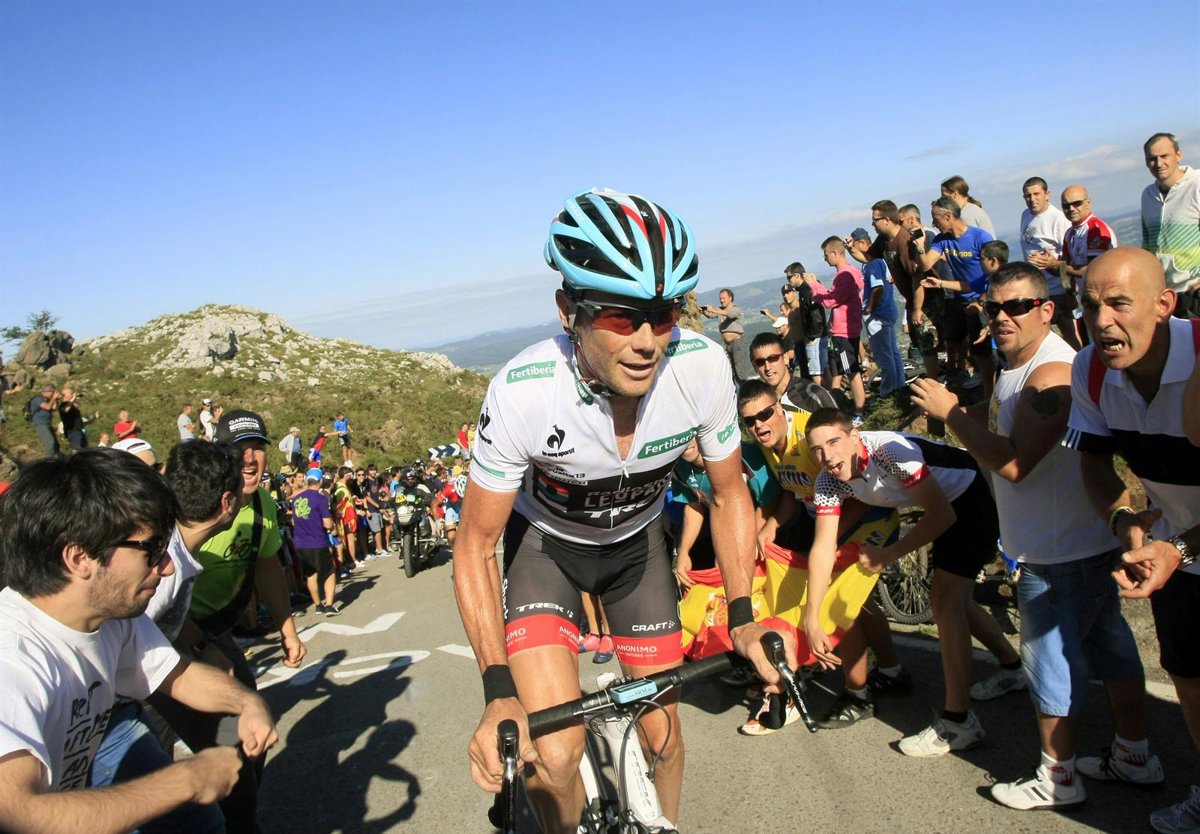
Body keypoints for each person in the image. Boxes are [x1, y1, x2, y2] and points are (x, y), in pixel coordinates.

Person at [453, 188, 784, 833]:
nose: (647, 342)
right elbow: (475, 544)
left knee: (666, 739)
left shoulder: (702, 367)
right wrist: (497, 693)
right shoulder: (524, 393)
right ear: (568, 312)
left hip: (638, 555)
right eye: (618, 317)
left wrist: (743, 617)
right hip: (547, 556)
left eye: (663, 316)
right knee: (555, 755)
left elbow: (729, 494)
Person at [910, 262, 1159, 810]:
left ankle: (1057, 776)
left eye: (1018, 306)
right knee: (1112, 652)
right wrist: (965, 413)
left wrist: (952, 414)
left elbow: (1016, 464)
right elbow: (1004, 417)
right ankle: (1134, 755)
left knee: (1048, 666)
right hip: (1073, 542)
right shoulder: (1019, 366)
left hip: (1057, 551)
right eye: (993, 307)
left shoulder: (1051, 374)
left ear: (1046, 310)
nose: (1002, 317)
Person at [0, 448, 277, 834]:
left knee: (198, 821)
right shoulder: (13, 662)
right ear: (79, 558)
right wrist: (185, 780)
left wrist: (247, 702)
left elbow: (177, 674)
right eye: (151, 550)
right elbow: (16, 813)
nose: (167, 566)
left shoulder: (110, 616)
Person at [1062, 247, 1200, 832]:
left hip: (1180, 551)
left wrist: (1179, 547)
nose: (1102, 321)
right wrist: (1124, 520)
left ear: (1165, 304)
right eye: (1090, 305)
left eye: (1120, 303)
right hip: (1174, 556)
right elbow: (1094, 463)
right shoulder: (1092, 370)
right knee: (1189, 678)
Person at [804, 407, 1022, 757]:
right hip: (946, 506)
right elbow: (822, 548)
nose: (827, 456)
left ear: (854, 437)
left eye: (833, 442)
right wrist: (811, 616)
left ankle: (958, 722)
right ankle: (1013, 668)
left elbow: (942, 515)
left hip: (974, 496)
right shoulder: (828, 480)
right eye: (816, 449)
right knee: (956, 599)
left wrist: (889, 554)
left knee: (945, 600)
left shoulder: (888, 452)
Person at [89, 438, 245, 834]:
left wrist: (204, 645)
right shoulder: (160, 567)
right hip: (109, 710)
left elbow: (160, 623)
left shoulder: (175, 549)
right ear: (227, 502)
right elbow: (127, 633)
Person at [739, 381, 909, 731]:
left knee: (839, 605)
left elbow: (860, 492)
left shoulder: (808, 439)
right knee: (861, 604)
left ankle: (858, 694)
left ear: (780, 408)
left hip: (866, 516)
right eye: (750, 421)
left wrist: (830, 539)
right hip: (833, 524)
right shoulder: (771, 445)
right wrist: (771, 525)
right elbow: (792, 493)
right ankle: (892, 671)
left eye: (765, 414)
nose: (759, 425)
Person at [177, 409, 306, 834]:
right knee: (153, 757)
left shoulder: (262, 504)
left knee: (252, 731)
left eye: (258, 448)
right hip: (162, 635)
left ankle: (237, 815)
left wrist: (288, 630)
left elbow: (268, 567)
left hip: (212, 631)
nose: (250, 459)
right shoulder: (198, 504)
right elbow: (158, 589)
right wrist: (199, 646)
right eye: (239, 450)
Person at [915, 196, 996, 390]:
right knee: (954, 339)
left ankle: (991, 386)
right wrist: (919, 247)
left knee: (983, 347)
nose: (933, 223)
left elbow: (996, 271)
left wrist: (983, 300)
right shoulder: (942, 240)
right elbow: (925, 265)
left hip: (982, 298)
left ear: (948, 216)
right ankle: (979, 371)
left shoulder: (980, 237)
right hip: (959, 296)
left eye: (936, 218)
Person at [804, 238, 867, 423]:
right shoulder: (852, 271)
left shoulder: (844, 275)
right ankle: (859, 409)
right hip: (850, 327)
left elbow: (830, 301)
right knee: (851, 370)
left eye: (826, 255)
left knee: (852, 372)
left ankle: (859, 412)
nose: (825, 259)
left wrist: (814, 285)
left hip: (843, 331)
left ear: (835, 253)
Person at [1141, 132, 1200, 317]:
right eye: (1152, 159)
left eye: (1164, 156)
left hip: (1194, 288)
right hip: (1166, 294)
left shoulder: (1196, 185)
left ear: (1178, 155)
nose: (1158, 163)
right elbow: (1147, 244)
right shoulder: (1148, 195)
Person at [1019, 177, 1078, 350]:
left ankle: (1077, 362)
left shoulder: (1058, 219)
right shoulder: (1026, 215)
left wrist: (1069, 291)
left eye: (1036, 194)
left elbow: (1069, 257)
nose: (1032, 199)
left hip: (1058, 289)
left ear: (1047, 194)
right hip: (1037, 289)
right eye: (1028, 195)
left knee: (1067, 334)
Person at [1060, 184, 1118, 348]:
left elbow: (1092, 270)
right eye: (1066, 206)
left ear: (1088, 202)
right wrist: (1069, 291)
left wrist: (1057, 266)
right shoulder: (1070, 233)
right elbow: (1064, 264)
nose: (1071, 209)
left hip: (1105, 300)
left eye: (1076, 203)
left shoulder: (1096, 229)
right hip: (1086, 302)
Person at [850, 227, 904, 397]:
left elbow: (878, 287)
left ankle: (888, 390)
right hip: (888, 312)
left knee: (883, 355)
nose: (855, 251)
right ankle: (899, 385)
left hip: (878, 316)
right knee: (893, 352)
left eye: (855, 245)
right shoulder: (880, 261)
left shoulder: (872, 265)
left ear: (863, 243)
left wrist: (869, 308)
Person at [291, 467, 339, 615]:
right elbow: (328, 524)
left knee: (311, 574)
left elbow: (293, 521)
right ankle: (329, 605)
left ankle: (318, 605)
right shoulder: (320, 498)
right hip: (317, 541)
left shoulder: (297, 498)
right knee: (329, 572)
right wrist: (333, 528)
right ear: (320, 481)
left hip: (300, 543)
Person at [785, 263, 829, 386]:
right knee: (823, 370)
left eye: (789, 277)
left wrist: (810, 337)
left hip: (815, 337)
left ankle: (823, 396)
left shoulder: (808, 290)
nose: (788, 280)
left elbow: (816, 315)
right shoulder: (804, 291)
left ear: (797, 275)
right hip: (817, 335)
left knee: (816, 373)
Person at [701, 288, 750, 381]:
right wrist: (704, 311)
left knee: (739, 370)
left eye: (724, 298)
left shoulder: (735, 309)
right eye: (720, 298)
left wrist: (713, 310)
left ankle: (745, 388)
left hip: (737, 343)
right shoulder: (720, 310)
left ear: (730, 298)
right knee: (731, 371)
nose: (721, 300)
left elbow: (729, 314)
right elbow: (711, 315)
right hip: (728, 345)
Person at [29, 383, 60, 457]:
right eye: (52, 392)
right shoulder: (37, 399)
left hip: (48, 423)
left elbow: (54, 408)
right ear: (47, 391)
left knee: (56, 444)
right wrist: (53, 398)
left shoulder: (48, 399)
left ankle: (57, 458)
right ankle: (48, 459)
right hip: (40, 423)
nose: (52, 394)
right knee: (50, 442)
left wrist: (55, 400)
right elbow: (47, 407)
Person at [58, 387, 88, 452]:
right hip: (72, 431)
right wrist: (73, 398)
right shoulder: (63, 405)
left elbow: (76, 406)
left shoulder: (72, 405)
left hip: (79, 429)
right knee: (76, 449)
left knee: (85, 449)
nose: (72, 394)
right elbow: (66, 410)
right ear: (64, 395)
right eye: (71, 393)